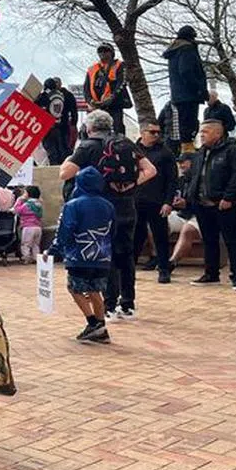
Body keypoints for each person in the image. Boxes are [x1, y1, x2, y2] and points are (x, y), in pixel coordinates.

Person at [59, 109, 156, 322]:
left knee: (107, 255)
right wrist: (130, 185)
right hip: (128, 207)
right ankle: (128, 304)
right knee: (127, 254)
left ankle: (109, 305)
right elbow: (150, 170)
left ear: (88, 127)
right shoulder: (126, 143)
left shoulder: (87, 147)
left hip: (101, 209)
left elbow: (65, 173)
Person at [44, 167, 116, 343]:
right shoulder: (108, 205)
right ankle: (101, 326)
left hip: (79, 256)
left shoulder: (73, 205)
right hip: (102, 256)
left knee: (75, 288)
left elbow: (65, 230)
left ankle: (93, 323)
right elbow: (113, 231)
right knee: (95, 290)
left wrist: (53, 250)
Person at [185, 119, 236, 290]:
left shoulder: (231, 151)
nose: (201, 135)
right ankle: (211, 274)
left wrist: (229, 197)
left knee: (232, 240)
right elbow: (194, 176)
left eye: (206, 132)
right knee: (209, 240)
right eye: (201, 132)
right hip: (201, 203)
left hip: (223, 203)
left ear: (218, 133)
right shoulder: (200, 152)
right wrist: (189, 197)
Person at [133, 119, 178, 284]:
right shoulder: (133, 150)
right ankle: (129, 269)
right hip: (136, 201)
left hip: (157, 201)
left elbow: (172, 180)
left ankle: (164, 269)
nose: (156, 135)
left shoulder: (165, 153)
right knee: (136, 236)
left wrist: (168, 202)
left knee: (160, 237)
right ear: (142, 132)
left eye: (158, 132)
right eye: (152, 132)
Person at [163, 26, 209, 153]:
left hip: (179, 94)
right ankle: (188, 151)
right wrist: (199, 89)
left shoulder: (175, 51)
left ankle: (186, 148)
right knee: (189, 124)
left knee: (185, 124)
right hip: (189, 94)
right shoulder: (186, 49)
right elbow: (186, 71)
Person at [83, 41, 132, 134]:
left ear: (112, 53)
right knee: (90, 129)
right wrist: (90, 101)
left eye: (106, 51)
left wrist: (112, 97)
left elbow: (122, 82)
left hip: (114, 105)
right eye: (100, 51)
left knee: (117, 129)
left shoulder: (119, 65)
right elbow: (86, 88)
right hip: (97, 107)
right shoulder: (92, 69)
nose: (103, 53)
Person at [35, 78, 71, 165]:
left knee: (50, 149)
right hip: (58, 125)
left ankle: (53, 168)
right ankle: (59, 165)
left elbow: (37, 103)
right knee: (59, 149)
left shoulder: (46, 96)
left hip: (47, 126)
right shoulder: (60, 95)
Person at [14, 185, 43, 263]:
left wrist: (19, 200)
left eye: (25, 192)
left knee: (26, 244)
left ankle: (26, 258)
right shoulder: (39, 204)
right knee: (35, 245)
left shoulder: (27, 205)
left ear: (28, 194)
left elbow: (17, 210)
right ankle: (36, 258)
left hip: (28, 227)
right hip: (38, 227)